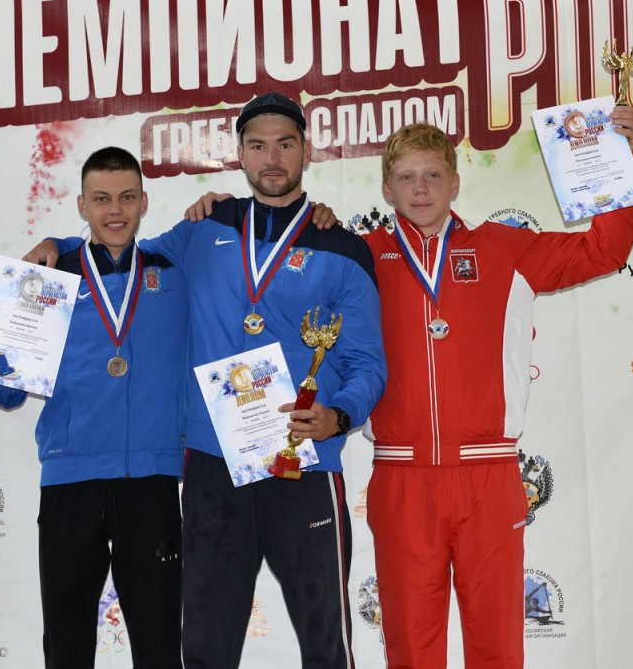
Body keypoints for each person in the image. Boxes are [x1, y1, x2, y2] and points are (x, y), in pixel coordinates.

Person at [33, 93, 386, 668]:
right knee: (204, 649)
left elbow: (368, 364)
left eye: (285, 144)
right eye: (258, 146)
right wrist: (60, 246)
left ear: (306, 151)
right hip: (212, 466)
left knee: (325, 640)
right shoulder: (205, 228)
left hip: (302, 460)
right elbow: (122, 252)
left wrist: (338, 416)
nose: (272, 158)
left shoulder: (342, 248)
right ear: (240, 155)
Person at [364, 114, 633, 668]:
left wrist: (619, 162)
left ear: (455, 182)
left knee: (497, 644)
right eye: (406, 177)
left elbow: (604, 252)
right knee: (410, 650)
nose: (420, 189)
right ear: (386, 188)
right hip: (402, 477)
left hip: (487, 475)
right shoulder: (360, 258)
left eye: (433, 175)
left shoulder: (503, 248)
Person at [0, 147, 186, 669]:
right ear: (81, 205)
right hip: (71, 484)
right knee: (66, 647)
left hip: (150, 483)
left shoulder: (174, 272)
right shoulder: (46, 279)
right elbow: (8, 392)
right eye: (101, 199)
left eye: (127, 197)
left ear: (144, 201)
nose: (115, 210)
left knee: (158, 648)